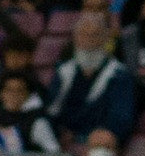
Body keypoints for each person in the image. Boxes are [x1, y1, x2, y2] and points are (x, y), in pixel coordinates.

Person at [44, 13, 135, 143]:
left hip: (99, 139)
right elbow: (51, 109)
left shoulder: (119, 74)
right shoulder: (63, 72)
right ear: (75, 38)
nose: (89, 41)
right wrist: (58, 131)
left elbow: (121, 117)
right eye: (83, 35)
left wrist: (101, 134)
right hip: (61, 139)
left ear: (105, 39)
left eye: (95, 35)